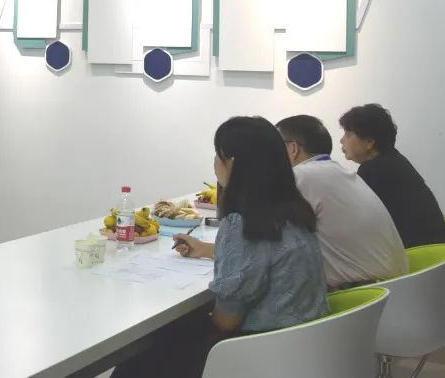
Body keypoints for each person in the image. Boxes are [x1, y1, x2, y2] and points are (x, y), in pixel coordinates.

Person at [114, 117, 328, 378]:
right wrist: (208, 251)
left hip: (258, 355)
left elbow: (227, 320)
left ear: (233, 163)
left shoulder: (243, 224)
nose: (214, 163)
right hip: (304, 349)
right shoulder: (294, 212)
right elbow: (264, 258)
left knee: (143, 355)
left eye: (218, 155)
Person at [277, 114, 408, 289]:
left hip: (364, 292)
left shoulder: (301, 176)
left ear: (293, 149)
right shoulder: (340, 172)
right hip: (398, 285)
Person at [339, 103, 445, 248]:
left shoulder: (371, 170)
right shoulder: (394, 158)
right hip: (439, 246)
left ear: (369, 142)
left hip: (418, 252)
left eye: (348, 135)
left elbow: (356, 221)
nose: (342, 140)